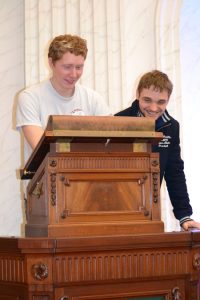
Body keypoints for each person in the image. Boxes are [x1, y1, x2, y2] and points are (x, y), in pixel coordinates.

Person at [115, 70, 200, 231]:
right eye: (147, 100)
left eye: (161, 102)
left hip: (149, 213)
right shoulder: (118, 121)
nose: (153, 108)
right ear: (138, 94)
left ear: (168, 100)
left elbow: (174, 172)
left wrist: (184, 215)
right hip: (116, 211)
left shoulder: (171, 127)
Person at [16, 34, 111, 162]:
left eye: (79, 67)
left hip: (86, 177)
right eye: (67, 67)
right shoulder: (29, 98)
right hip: (46, 180)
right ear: (51, 63)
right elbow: (42, 150)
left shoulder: (93, 99)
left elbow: (111, 142)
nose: (74, 74)